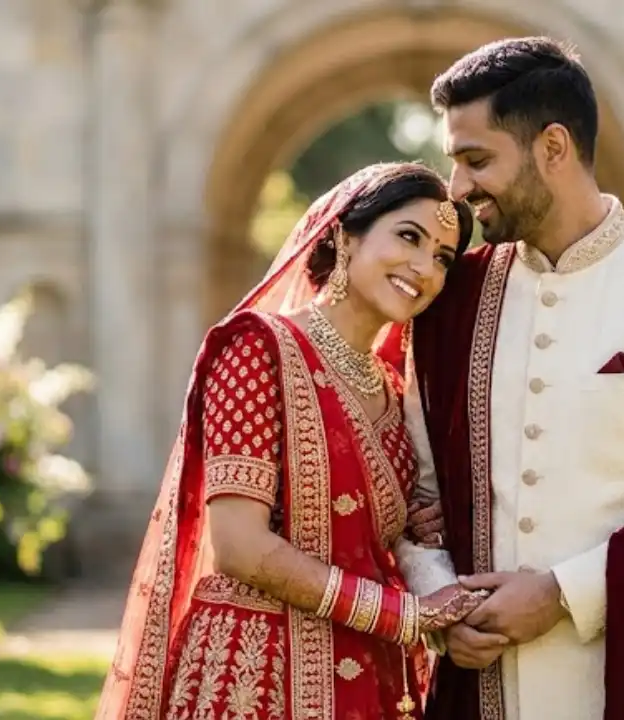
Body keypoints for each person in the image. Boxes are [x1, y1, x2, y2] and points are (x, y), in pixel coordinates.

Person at [389, 37, 624, 720]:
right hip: (477, 682)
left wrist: (561, 594)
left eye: (477, 160)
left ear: (554, 148)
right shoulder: (453, 302)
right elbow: (417, 497)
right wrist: (442, 604)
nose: (457, 190)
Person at [94, 162, 487, 720]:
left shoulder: (395, 388)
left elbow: (373, 530)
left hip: (371, 678)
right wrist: (401, 615)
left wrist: (425, 526)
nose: (424, 267)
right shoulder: (256, 350)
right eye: (409, 236)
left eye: (443, 258)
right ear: (344, 235)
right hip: (258, 676)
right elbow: (239, 545)